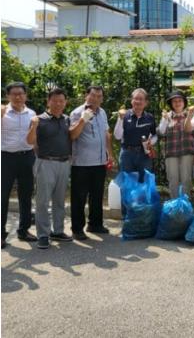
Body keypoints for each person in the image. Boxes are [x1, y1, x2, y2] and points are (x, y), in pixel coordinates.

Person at [26, 88, 73, 249]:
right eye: (55, 101)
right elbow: (29, 141)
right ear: (48, 101)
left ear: (65, 102)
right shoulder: (39, 119)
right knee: (43, 201)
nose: (58, 104)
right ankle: (43, 235)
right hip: (45, 163)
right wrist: (33, 126)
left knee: (60, 200)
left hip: (64, 163)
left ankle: (58, 231)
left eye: (61, 101)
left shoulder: (67, 119)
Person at [69, 86, 114, 240]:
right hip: (81, 163)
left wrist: (110, 154)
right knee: (79, 197)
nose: (96, 99)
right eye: (93, 95)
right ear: (86, 95)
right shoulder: (77, 112)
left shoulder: (102, 112)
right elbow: (72, 135)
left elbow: (106, 134)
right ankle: (77, 229)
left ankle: (95, 224)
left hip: (99, 161)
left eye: (99, 96)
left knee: (97, 195)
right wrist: (83, 119)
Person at [1, 82, 37, 248]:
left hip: (27, 157)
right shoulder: (2, 112)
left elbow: (34, 137)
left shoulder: (32, 114)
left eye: (21, 93)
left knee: (26, 195)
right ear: (8, 96)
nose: (18, 97)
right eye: (14, 94)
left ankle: (24, 230)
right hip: (5, 158)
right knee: (2, 196)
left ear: (25, 95)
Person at [158, 90, 194, 198]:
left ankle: (185, 204)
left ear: (184, 102)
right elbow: (161, 132)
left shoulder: (190, 115)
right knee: (173, 179)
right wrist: (165, 120)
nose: (177, 103)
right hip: (171, 152)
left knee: (186, 179)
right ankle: (174, 203)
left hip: (187, 151)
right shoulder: (167, 116)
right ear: (171, 103)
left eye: (180, 100)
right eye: (174, 101)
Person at [114, 88, 157, 182]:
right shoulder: (124, 115)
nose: (138, 101)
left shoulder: (149, 117)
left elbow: (154, 135)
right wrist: (120, 119)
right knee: (127, 182)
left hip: (144, 154)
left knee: (144, 182)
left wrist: (151, 142)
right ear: (131, 101)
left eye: (141, 99)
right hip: (127, 154)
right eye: (135, 98)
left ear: (146, 102)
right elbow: (117, 136)